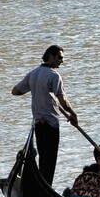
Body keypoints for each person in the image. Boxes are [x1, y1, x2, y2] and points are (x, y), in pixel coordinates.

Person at [11, 44, 78, 186]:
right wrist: (73, 114)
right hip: (51, 124)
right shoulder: (54, 76)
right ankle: (47, 187)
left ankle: (41, 186)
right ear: (51, 56)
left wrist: (37, 90)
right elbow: (63, 101)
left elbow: (15, 91)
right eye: (59, 58)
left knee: (43, 159)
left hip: (39, 124)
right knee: (50, 161)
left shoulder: (33, 74)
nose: (61, 61)